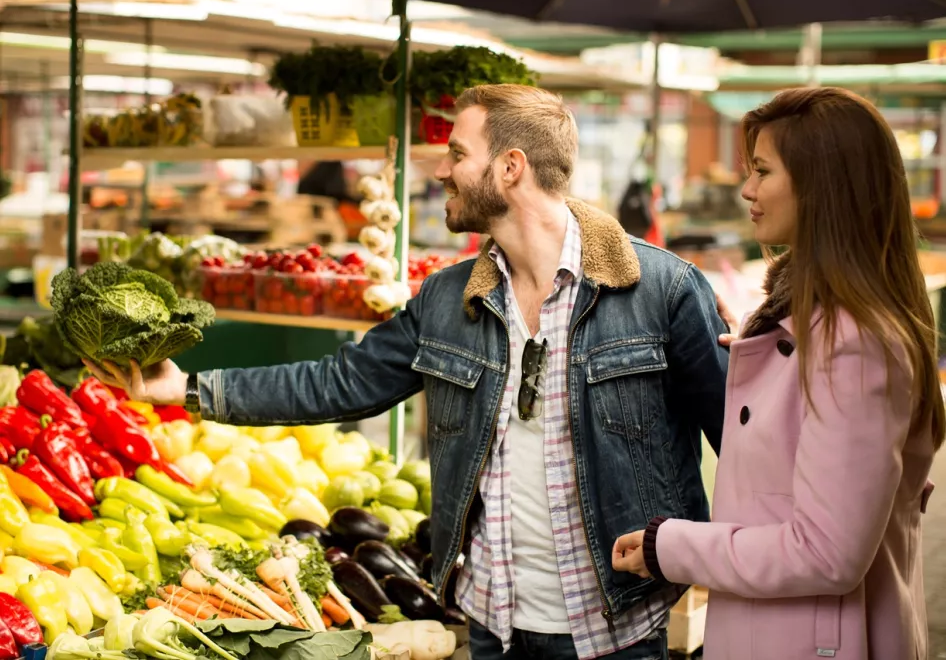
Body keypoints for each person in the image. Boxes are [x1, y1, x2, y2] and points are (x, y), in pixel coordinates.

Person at [88, 84, 730, 660]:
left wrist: (703, 560)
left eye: (457, 153)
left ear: (510, 168)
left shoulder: (661, 291)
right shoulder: (448, 300)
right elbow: (339, 382)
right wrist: (187, 389)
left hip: (616, 629)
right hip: (493, 625)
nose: (442, 170)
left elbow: (742, 442)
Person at [612, 86, 944, 660]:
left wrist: (670, 547)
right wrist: (758, 353)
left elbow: (827, 554)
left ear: (822, 185)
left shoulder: (855, 344)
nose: (747, 189)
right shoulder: (815, 327)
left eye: (762, 171)